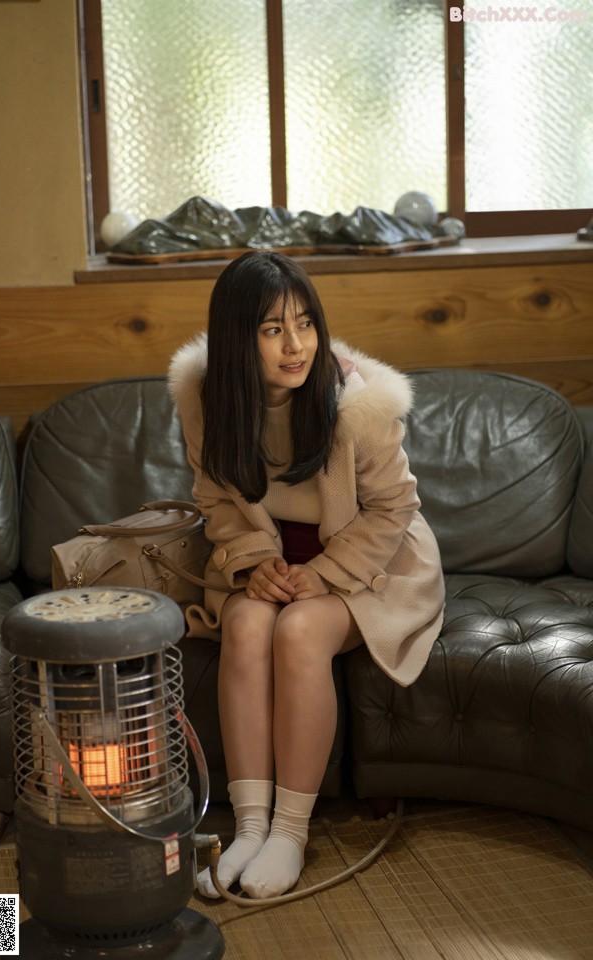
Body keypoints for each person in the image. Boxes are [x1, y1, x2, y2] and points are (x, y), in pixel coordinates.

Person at [168, 250, 445, 900]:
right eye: (273, 329)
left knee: (297, 632)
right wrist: (252, 561)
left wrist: (326, 572)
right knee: (245, 626)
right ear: (237, 339)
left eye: (306, 324)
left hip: (372, 561)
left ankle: (289, 834)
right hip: (271, 557)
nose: (296, 345)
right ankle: (249, 829)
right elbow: (215, 499)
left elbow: (395, 509)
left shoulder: (356, 405)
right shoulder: (206, 401)